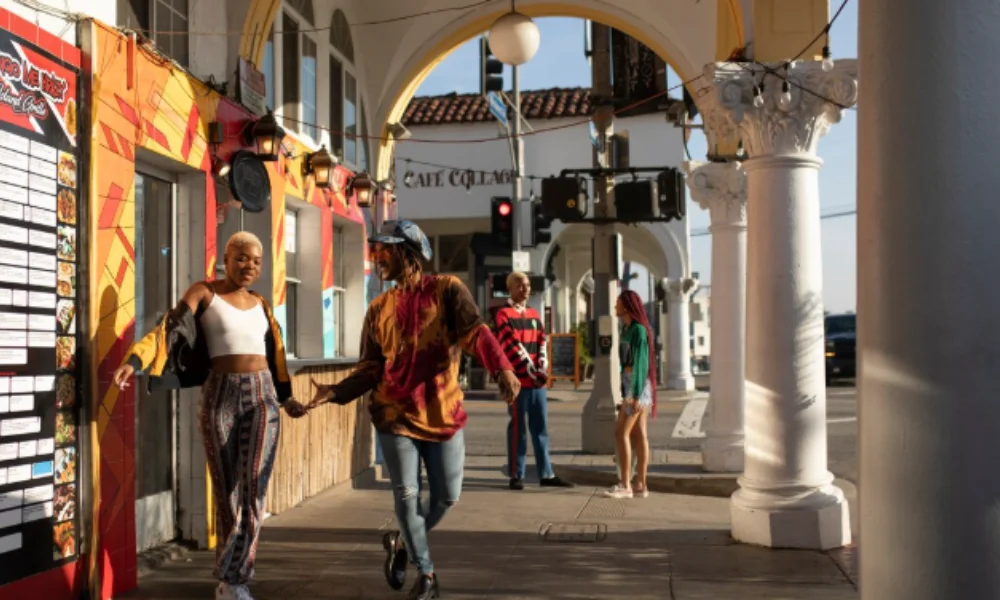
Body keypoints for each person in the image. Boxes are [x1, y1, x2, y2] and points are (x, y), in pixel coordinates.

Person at [306, 220, 519, 600]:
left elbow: (475, 332)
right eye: (375, 250)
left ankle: (402, 543)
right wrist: (335, 392)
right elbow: (370, 368)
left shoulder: (447, 289)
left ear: (408, 252)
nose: (377, 257)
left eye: (384, 249)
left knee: (446, 497)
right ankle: (427, 574)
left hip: (443, 413)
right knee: (406, 493)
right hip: (394, 414)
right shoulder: (377, 308)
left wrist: (501, 367)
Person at [112, 231, 309, 600]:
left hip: (263, 397)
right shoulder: (205, 292)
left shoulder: (262, 304)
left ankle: (235, 578)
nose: (249, 266)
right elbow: (168, 328)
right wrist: (135, 360)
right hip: (220, 396)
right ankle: (229, 581)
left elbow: (276, 354)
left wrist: (287, 400)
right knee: (226, 492)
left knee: (253, 490)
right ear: (226, 258)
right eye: (242, 258)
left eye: (256, 261)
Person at [494, 272, 574, 490]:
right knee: (517, 430)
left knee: (541, 429)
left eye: (527, 285)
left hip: (537, 383)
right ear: (510, 288)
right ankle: (516, 474)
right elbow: (510, 345)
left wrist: (542, 368)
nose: (525, 289)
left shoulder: (534, 314)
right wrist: (532, 370)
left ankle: (546, 474)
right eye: (520, 285)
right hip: (517, 382)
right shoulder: (503, 314)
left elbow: (542, 343)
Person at [604, 290, 657, 499]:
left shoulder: (638, 330)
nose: (615, 306)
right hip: (632, 385)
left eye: (617, 303)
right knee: (639, 434)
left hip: (637, 386)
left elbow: (641, 364)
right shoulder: (627, 328)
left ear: (626, 306)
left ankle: (625, 485)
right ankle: (640, 485)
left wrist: (634, 395)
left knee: (621, 433)